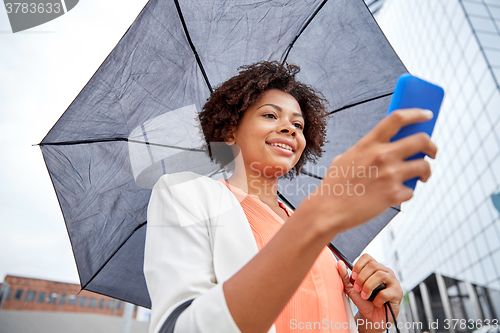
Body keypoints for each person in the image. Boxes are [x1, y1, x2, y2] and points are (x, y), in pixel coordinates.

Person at [144, 61, 437, 333]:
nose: (289, 128)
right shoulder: (185, 194)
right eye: (270, 115)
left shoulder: (323, 241)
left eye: (298, 125)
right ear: (231, 130)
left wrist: (368, 325)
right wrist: (316, 218)